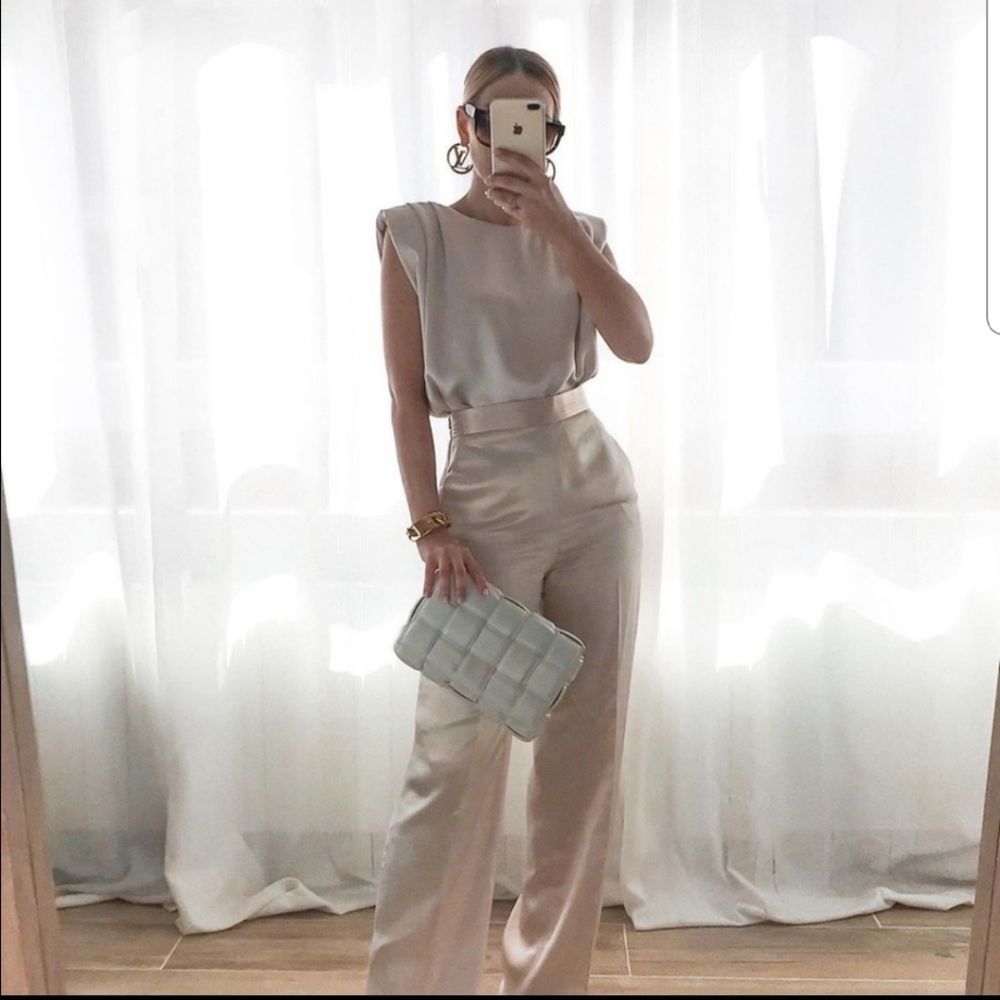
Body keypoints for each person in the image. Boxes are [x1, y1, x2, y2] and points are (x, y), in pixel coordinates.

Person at [367, 45, 653, 996]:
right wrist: (430, 526)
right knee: (451, 765)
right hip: (482, 505)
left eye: (542, 122)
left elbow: (636, 342)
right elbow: (406, 400)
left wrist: (562, 229)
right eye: (498, 118)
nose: (517, 138)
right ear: (467, 125)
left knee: (583, 761)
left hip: (596, 496)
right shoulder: (416, 235)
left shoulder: (582, 232)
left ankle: (547, 984)